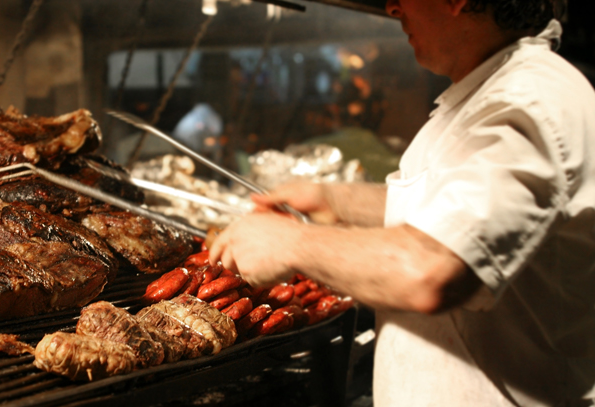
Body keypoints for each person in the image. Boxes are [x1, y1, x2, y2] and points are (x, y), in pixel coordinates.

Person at [208, 0, 595, 405]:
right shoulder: (493, 91)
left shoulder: (526, 102)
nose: (392, 7)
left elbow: (432, 270)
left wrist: (292, 243)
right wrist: (335, 200)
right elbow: (447, 207)